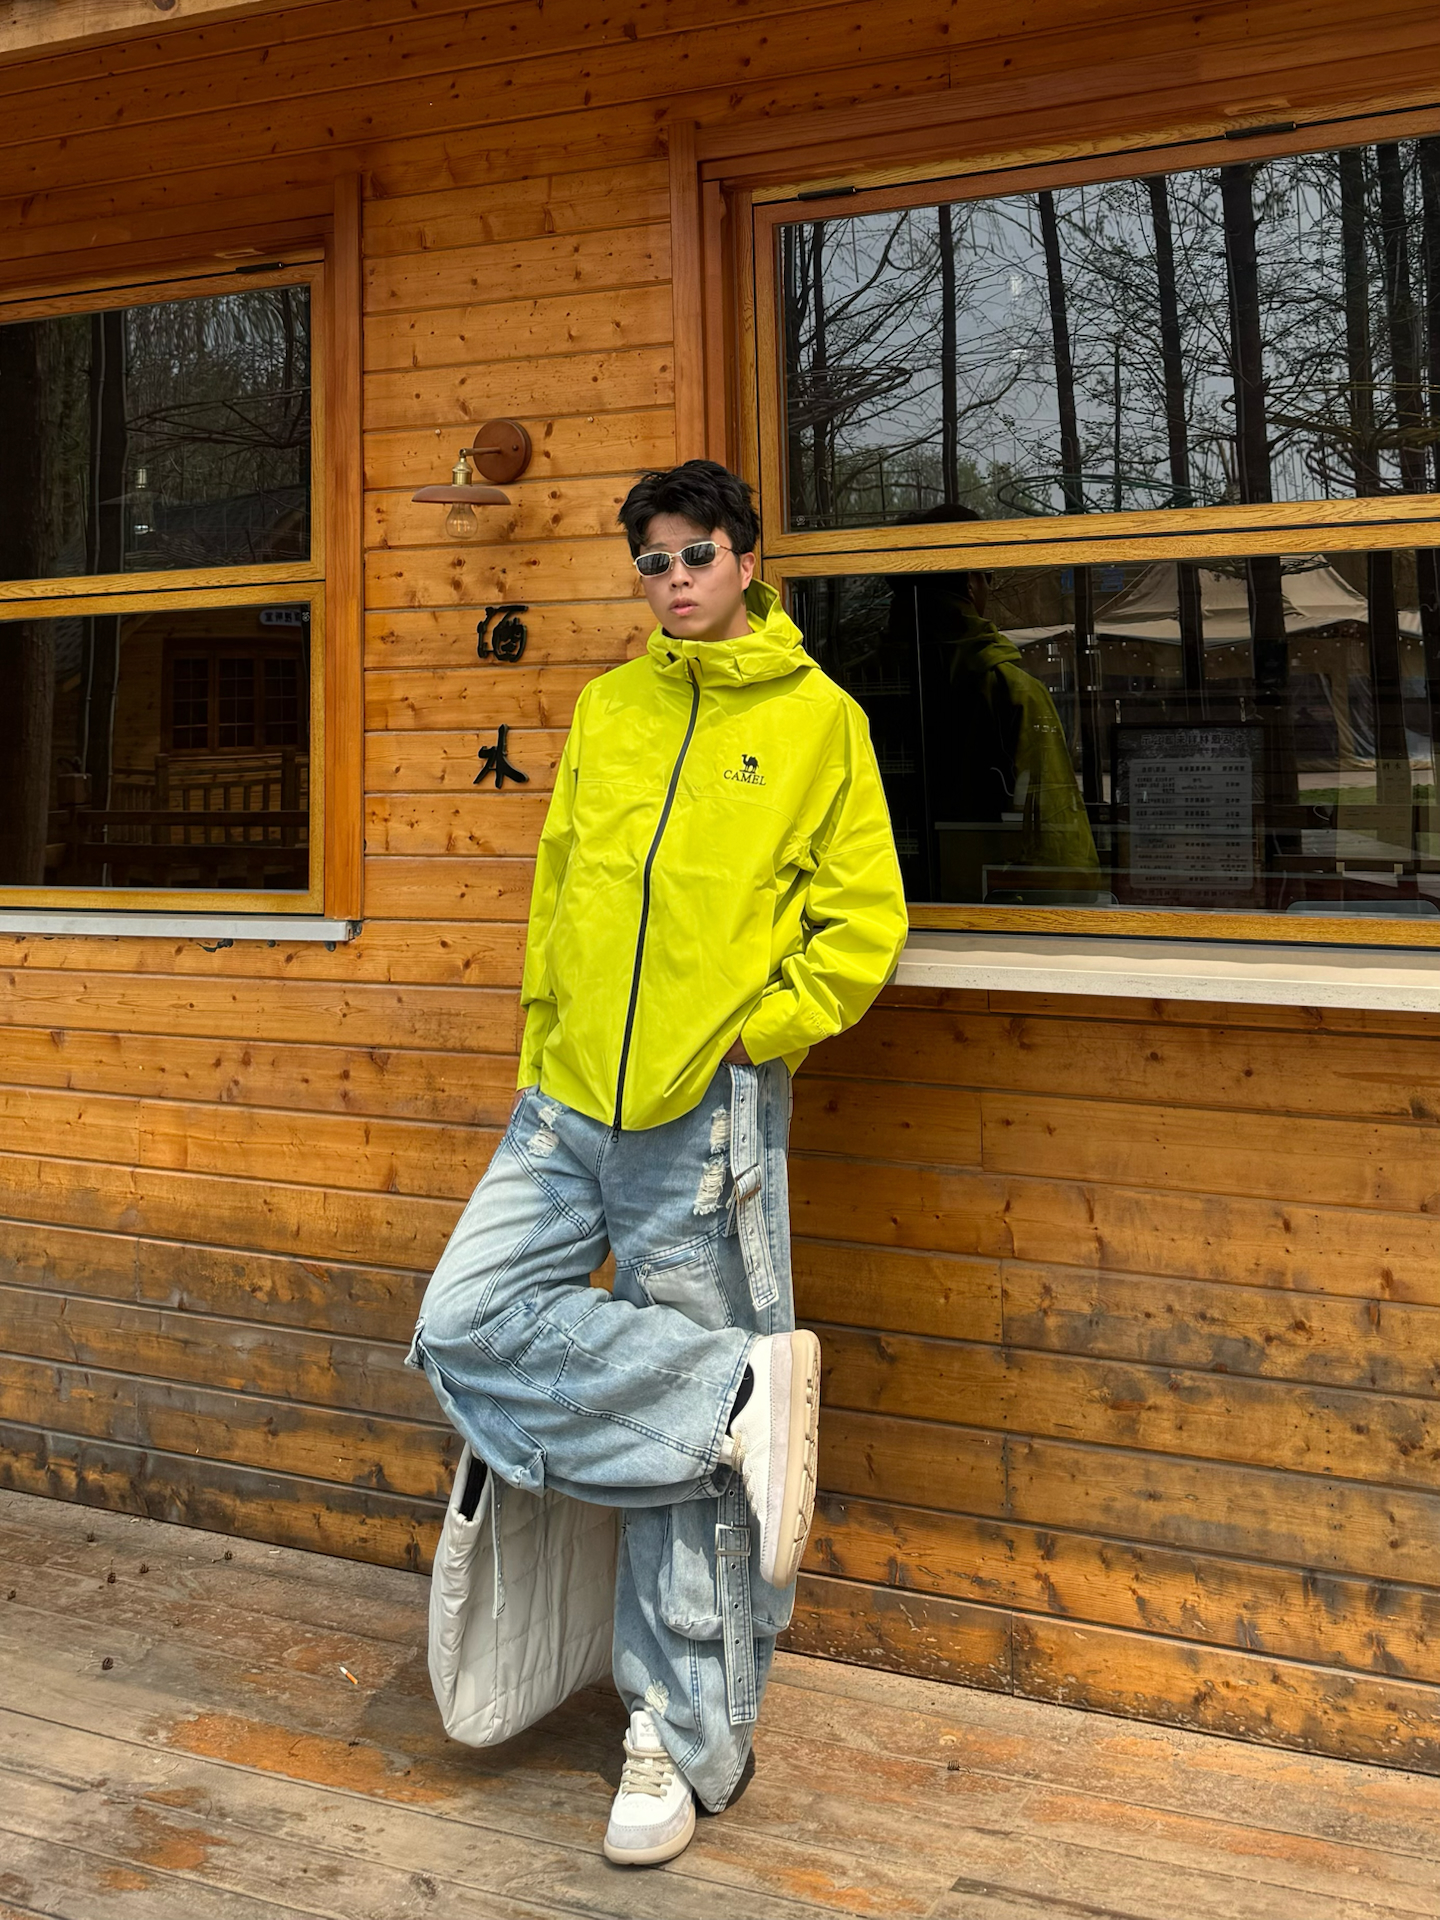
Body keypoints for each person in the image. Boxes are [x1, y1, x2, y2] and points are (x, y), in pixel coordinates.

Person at [408, 460, 908, 1866]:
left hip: (703, 1120)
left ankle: (679, 1741)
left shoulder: (818, 721)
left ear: (746, 559)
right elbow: (562, 883)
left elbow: (862, 920)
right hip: (565, 1103)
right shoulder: (610, 708)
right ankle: (723, 1394)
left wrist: (759, 1034)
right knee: (463, 1320)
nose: (674, 578)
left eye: (696, 554)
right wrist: (541, 1038)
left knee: (692, 1461)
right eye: (652, 560)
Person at [902, 504, 1098, 896]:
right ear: (972, 582)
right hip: (988, 903)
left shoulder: (850, 683)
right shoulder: (1011, 689)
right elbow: (1062, 846)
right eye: (988, 576)